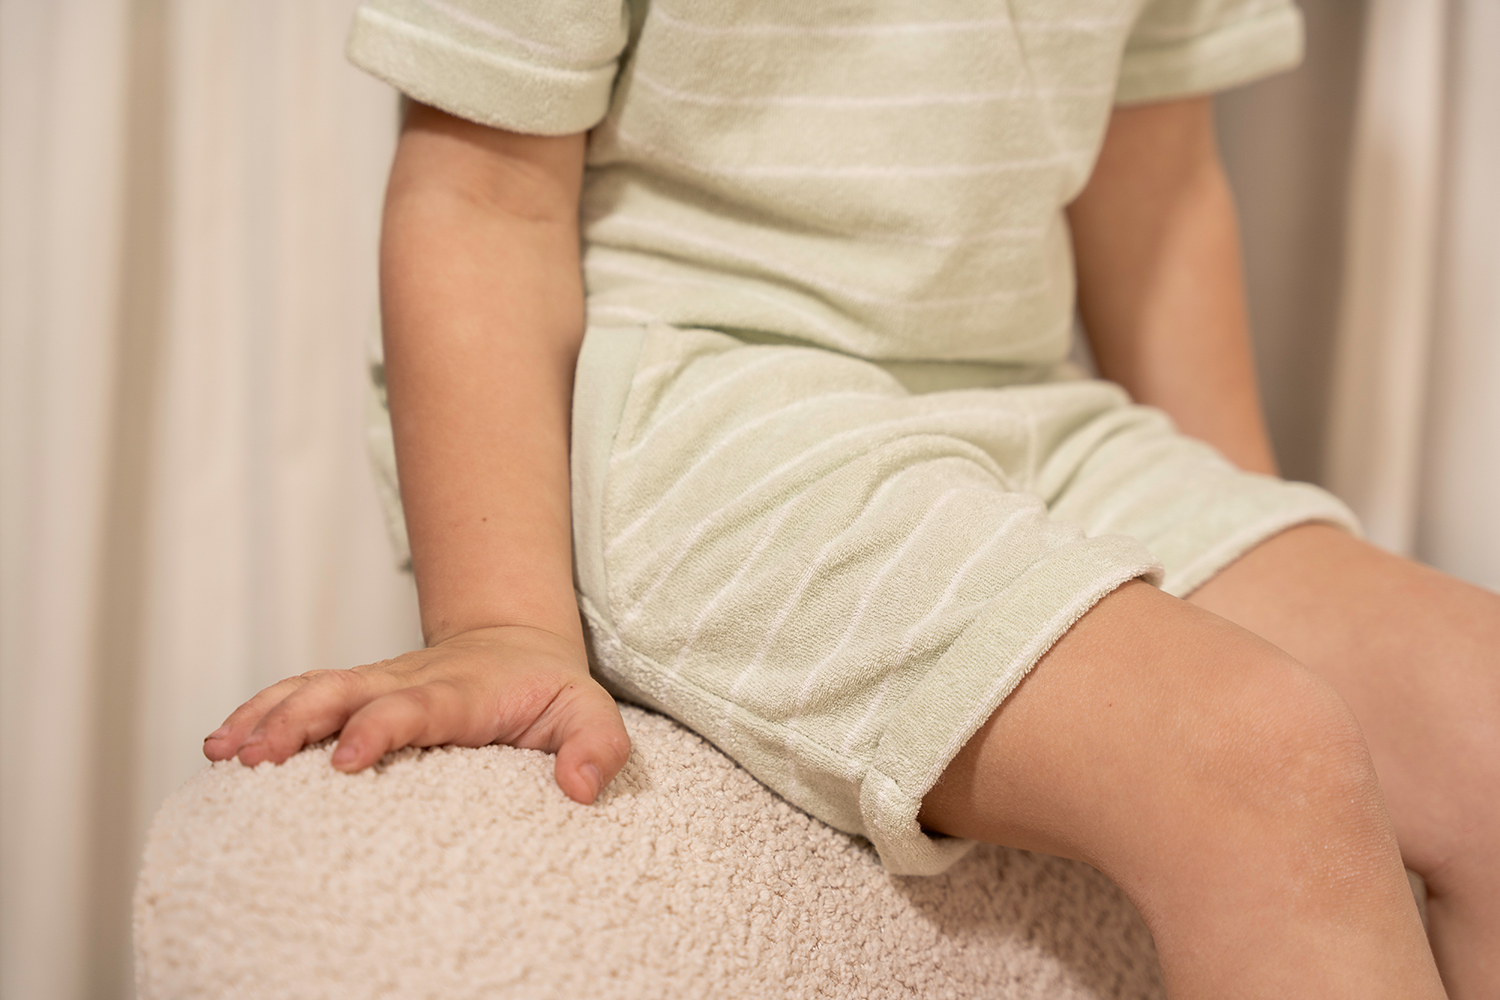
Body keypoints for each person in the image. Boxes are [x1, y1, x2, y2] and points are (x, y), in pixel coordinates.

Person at [202, 1, 1498, 996]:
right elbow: (482, 194)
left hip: (1020, 400)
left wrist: (1246, 534)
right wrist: (501, 622)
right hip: (699, 403)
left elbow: (1151, 183)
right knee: (1258, 754)